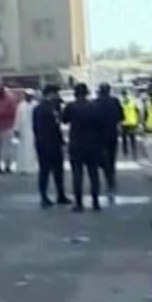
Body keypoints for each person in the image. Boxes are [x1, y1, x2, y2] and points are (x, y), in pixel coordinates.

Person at [63, 83, 104, 212]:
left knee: (77, 174)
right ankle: (95, 202)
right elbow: (100, 125)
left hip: (76, 144)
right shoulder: (95, 107)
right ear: (86, 93)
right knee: (94, 174)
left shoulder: (71, 107)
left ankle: (79, 203)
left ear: (75, 93)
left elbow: (64, 120)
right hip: (92, 145)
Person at [33, 84, 70, 208]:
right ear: (50, 94)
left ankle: (61, 195)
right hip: (45, 144)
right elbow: (39, 128)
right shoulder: (41, 109)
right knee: (45, 172)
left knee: (58, 171)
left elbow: (57, 126)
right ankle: (44, 197)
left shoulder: (52, 107)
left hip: (54, 143)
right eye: (56, 93)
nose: (57, 96)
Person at [94, 83, 121, 202]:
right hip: (112, 134)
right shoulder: (115, 101)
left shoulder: (96, 102)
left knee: (102, 157)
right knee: (111, 156)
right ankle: (111, 178)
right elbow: (120, 117)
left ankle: (108, 175)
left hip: (99, 135)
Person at [0, 84, 20, 174]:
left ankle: (7, 165)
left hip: (7, 126)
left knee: (7, 147)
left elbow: (14, 112)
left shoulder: (10, 100)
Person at [17, 90, 39, 175]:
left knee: (31, 149)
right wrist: (16, 129)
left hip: (32, 130)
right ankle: (22, 167)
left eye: (29, 95)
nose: (27, 97)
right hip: (23, 129)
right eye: (26, 95)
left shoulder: (35, 105)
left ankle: (31, 167)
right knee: (22, 149)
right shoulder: (21, 105)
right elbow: (17, 118)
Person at [120, 91, 141, 159]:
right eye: (123, 95)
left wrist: (138, 121)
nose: (125, 96)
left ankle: (134, 152)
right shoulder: (122, 103)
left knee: (132, 138)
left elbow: (137, 111)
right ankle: (125, 152)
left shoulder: (133, 102)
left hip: (132, 123)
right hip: (124, 123)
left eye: (125, 95)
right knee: (124, 139)